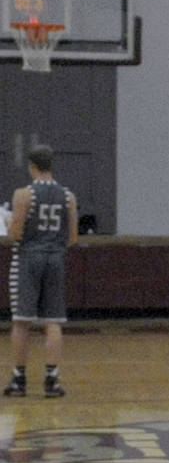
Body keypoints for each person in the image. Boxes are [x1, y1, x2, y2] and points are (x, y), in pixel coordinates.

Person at [6, 144, 76, 398]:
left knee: (22, 321)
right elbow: (73, 238)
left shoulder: (23, 194)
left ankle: (19, 380)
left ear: (31, 166)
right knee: (53, 321)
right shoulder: (68, 196)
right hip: (55, 259)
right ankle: (52, 381)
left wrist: (8, 223)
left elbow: (16, 234)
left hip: (28, 259)